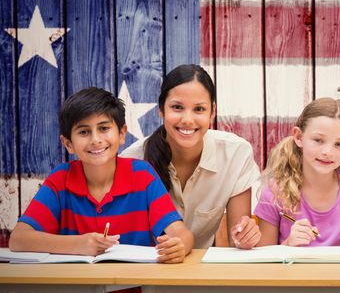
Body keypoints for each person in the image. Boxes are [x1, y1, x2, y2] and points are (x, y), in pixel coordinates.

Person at [9, 87, 194, 263]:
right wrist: (79, 244)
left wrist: (179, 246)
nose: (95, 140)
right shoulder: (60, 180)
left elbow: (181, 232)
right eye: (84, 132)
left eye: (104, 128)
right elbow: (18, 239)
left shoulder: (142, 176)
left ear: (122, 133)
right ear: (68, 143)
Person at [121, 64, 261, 249]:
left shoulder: (235, 154)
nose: (188, 119)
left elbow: (237, 239)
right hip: (146, 270)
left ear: (212, 111)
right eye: (177, 107)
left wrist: (245, 236)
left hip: (201, 272)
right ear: (161, 110)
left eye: (199, 109)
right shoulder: (132, 160)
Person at [254, 98, 340, 247]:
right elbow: (264, 263)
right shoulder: (275, 191)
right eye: (318, 140)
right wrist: (288, 246)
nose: (327, 152)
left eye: (338, 144)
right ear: (299, 137)